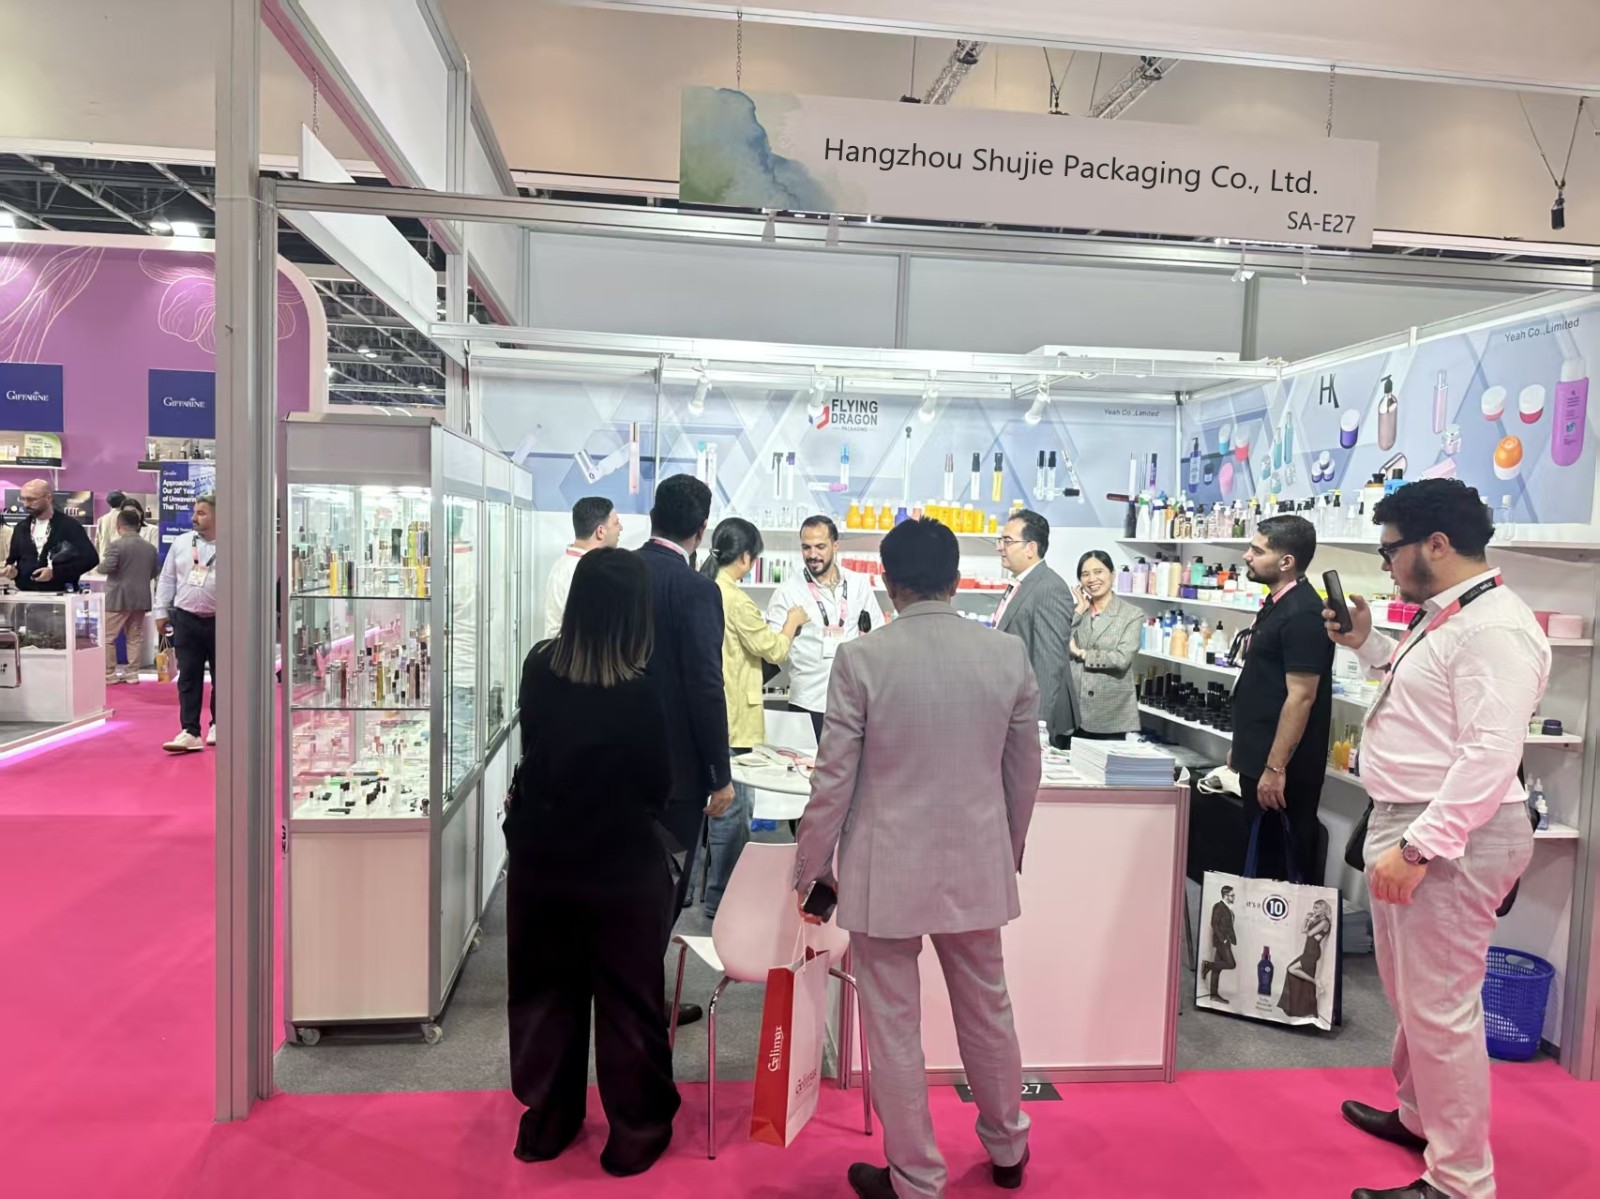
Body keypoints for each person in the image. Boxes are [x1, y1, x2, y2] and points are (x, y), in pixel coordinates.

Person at [795, 518, 1040, 1199]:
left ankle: (915, 1177)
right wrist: (1008, 848)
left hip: (885, 868)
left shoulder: (862, 658)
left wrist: (811, 866)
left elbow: (833, 779)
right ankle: (1009, 1143)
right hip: (976, 863)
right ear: (956, 580)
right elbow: (1024, 771)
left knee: (893, 1025)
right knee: (988, 1008)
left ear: (888, 582)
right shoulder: (1006, 654)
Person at [1325, 479, 1547, 1199]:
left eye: (1391, 550)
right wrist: (1367, 644)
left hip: (1450, 833)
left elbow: (1489, 756)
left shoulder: (1493, 629)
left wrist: (1421, 846)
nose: (1387, 564)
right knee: (1416, 995)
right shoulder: (1451, 615)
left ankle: (1461, 1180)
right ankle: (1420, 1117)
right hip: (1418, 819)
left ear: (1438, 544)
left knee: (1441, 1007)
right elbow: (1423, 699)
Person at [505, 547, 680, 1176]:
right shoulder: (642, 688)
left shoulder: (540, 666)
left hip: (542, 858)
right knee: (629, 998)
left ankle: (549, 1120)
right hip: (620, 864)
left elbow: (534, 747)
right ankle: (635, 1129)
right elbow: (658, 783)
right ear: (635, 612)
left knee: (544, 992)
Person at [636, 474, 730, 1026]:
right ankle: (644, 1006)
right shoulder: (697, 589)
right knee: (666, 889)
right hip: (676, 773)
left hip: (611, 761)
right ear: (701, 530)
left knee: (622, 886)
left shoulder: (614, 572)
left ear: (653, 516)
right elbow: (705, 686)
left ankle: (628, 995)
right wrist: (720, 773)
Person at [700, 518, 808, 916]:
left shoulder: (706, 588)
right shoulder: (735, 599)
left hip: (714, 712)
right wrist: (792, 623)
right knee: (733, 814)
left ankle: (708, 896)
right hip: (735, 718)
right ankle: (723, 901)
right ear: (746, 558)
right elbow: (774, 650)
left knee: (718, 812)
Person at [1229, 514, 1334, 885]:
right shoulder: (1277, 604)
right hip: (1260, 759)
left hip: (1282, 773)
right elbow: (1265, 685)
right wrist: (1244, 748)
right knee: (1260, 862)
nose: (1247, 556)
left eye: (1257, 551)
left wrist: (1274, 769)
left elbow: (1301, 698)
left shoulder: (1303, 614)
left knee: (1278, 871)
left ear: (1287, 561)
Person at [764, 515, 884, 740]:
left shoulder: (857, 584)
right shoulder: (788, 591)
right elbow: (772, 649)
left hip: (851, 703)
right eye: (806, 547)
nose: (812, 554)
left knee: (850, 763)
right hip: (807, 700)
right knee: (804, 762)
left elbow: (878, 633)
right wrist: (791, 628)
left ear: (835, 546)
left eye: (820, 547)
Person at [994, 508, 1075, 744]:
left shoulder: (1049, 588)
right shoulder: (1021, 584)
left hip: (1035, 718)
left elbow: (1049, 663)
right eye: (1000, 540)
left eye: (1007, 541)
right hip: (1014, 707)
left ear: (1030, 548)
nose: (1000, 547)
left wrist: (1039, 729)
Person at [154, 494, 218, 753]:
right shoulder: (182, 543)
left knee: (223, 677)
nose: (194, 518)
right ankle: (190, 731)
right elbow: (167, 578)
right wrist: (160, 610)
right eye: (195, 512)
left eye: (201, 513)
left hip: (223, 621)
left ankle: (220, 724)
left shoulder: (234, 544)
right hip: (186, 618)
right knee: (188, 676)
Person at [1067, 549, 1142, 738]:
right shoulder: (1077, 611)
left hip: (1109, 715)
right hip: (1071, 712)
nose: (1092, 579)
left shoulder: (1131, 614)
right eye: (1085, 574)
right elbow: (1059, 643)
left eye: (1098, 572)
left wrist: (1082, 653)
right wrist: (1078, 611)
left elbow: (1122, 658)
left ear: (1113, 575)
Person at [543, 495, 623, 640]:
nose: (621, 528)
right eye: (616, 523)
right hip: (577, 652)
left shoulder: (561, 565)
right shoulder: (589, 572)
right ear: (600, 531)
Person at [1, 478, 99, 592]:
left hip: (60, 593)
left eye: (31, 499)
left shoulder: (69, 526)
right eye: (23, 499)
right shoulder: (21, 527)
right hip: (25, 594)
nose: (26, 504)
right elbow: (12, 560)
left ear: (48, 498)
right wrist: (12, 571)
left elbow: (90, 559)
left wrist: (55, 573)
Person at [100, 506, 159, 684]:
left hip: (117, 597)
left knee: (108, 637)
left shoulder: (116, 545)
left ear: (118, 527)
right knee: (135, 637)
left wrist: (99, 566)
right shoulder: (150, 548)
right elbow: (153, 572)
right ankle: (132, 673)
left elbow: (107, 568)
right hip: (141, 597)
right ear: (138, 526)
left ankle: (108, 674)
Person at [1278, 899, 1333, 1020]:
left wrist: (1312, 922)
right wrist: (1307, 919)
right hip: (1307, 951)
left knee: (1291, 969)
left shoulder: (1324, 922)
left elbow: (1309, 934)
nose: (1314, 910)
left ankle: (1315, 981)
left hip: (1312, 952)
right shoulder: (1317, 920)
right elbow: (1303, 930)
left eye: (1317, 908)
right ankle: (1302, 1008)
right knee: (1298, 976)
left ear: (1323, 909)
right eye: (1314, 908)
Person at [1199, 884, 1238, 1004]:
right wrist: (1223, 939)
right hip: (1221, 942)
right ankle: (1208, 965)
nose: (1234, 897)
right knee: (1231, 964)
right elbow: (1214, 923)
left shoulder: (1227, 907)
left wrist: (1230, 939)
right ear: (1226, 896)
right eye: (1232, 895)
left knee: (1217, 969)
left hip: (1226, 940)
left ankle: (1214, 995)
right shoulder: (1219, 906)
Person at [95, 490, 129, 561]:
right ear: (123, 502)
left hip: (104, 557)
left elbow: (97, 540)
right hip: (121, 557)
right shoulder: (127, 517)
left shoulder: (101, 519)